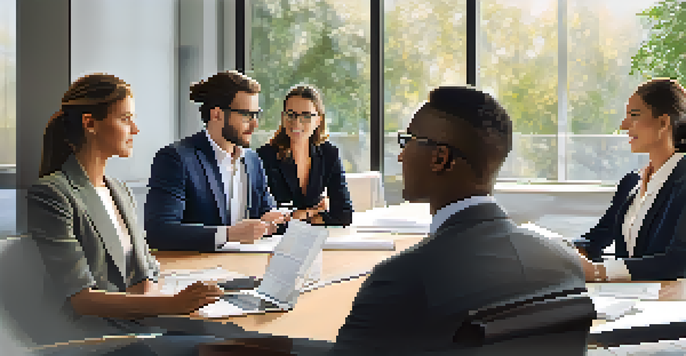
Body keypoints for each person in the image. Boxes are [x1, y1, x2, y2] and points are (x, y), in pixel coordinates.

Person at [328, 86, 586, 355]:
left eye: (408, 141)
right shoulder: (564, 260)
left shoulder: (402, 279)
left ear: (440, 158)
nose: (401, 155)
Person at [26, 73, 227, 355]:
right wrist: (172, 304)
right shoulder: (52, 194)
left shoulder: (120, 191)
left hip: (139, 322)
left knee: (239, 341)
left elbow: (146, 268)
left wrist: (165, 291)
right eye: (125, 119)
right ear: (90, 123)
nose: (136, 129)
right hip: (91, 336)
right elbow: (82, 300)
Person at [145, 71, 289, 251]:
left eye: (256, 115)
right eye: (246, 115)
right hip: (196, 272)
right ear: (217, 114)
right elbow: (159, 231)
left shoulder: (253, 160)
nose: (254, 124)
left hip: (249, 267)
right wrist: (229, 234)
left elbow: (265, 212)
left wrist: (273, 219)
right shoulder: (176, 158)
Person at [574, 78, 686, 282]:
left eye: (634, 116)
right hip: (626, 301)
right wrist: (569, 251)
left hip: (671, 306)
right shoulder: (631, 182)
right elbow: (598, 236)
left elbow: (679, 260)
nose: (624, 125)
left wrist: (601, 272)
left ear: (663, 123)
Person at [257, 84, 353, 226]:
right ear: (283, 117)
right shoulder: (264, 157)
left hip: (313, 239)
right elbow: (266, 219)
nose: (296, 122)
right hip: (273, 243)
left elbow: (344, 215)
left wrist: (299, 216)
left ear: (318, 120)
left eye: (306, 116)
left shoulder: (329, 154)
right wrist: (312, 212)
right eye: (291, 115)